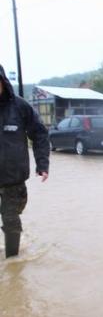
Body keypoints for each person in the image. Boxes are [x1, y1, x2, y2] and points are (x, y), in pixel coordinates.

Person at [0, 65, 49, 258]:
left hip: (13, 179)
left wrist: (42, 164)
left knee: (11, 220)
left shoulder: (20, 107)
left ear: (3, 82)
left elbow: (40, 134)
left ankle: (13, 264)